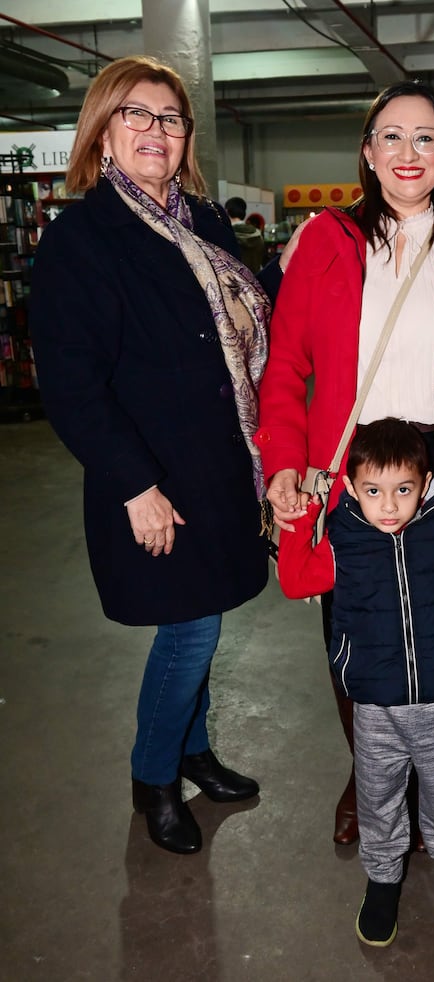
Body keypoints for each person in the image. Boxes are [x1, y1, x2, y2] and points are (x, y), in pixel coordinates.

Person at [254, 80, 434, 847]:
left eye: (425, 138)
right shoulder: (323, 242)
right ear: (367, 151)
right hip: (348, 470)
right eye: (391, 136)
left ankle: (428, 775)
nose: (407, 152)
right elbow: (284, 368)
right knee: (356, 630)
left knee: (433, 633)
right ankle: (370, 772)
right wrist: (283, 460)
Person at [28, 56, 281, 855]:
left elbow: (231, 323)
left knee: (204, 616)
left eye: (170, 118)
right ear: (102, 133)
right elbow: (71, 385)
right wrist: (135, 486)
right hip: (151, 477)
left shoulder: (203, 222)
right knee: (191, 632)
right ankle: (154, 778)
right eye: (135, 115)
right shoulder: (81, 239)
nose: (155, 131)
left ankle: (194, 750)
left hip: (217, 467)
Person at [277, 418, 434, 945]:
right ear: (350, 488)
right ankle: (381, 879)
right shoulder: (344, 540)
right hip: (375, 708)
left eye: (403, 490)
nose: (389, 505)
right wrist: (301, 524)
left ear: (426, 483)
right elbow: (296, 580)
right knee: (378, 799)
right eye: (373, 491)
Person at [225, 195, 265, 274]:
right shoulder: (257, 234)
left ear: (227, 211)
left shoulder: (226, 234)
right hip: (256, 281)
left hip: (236, 283)